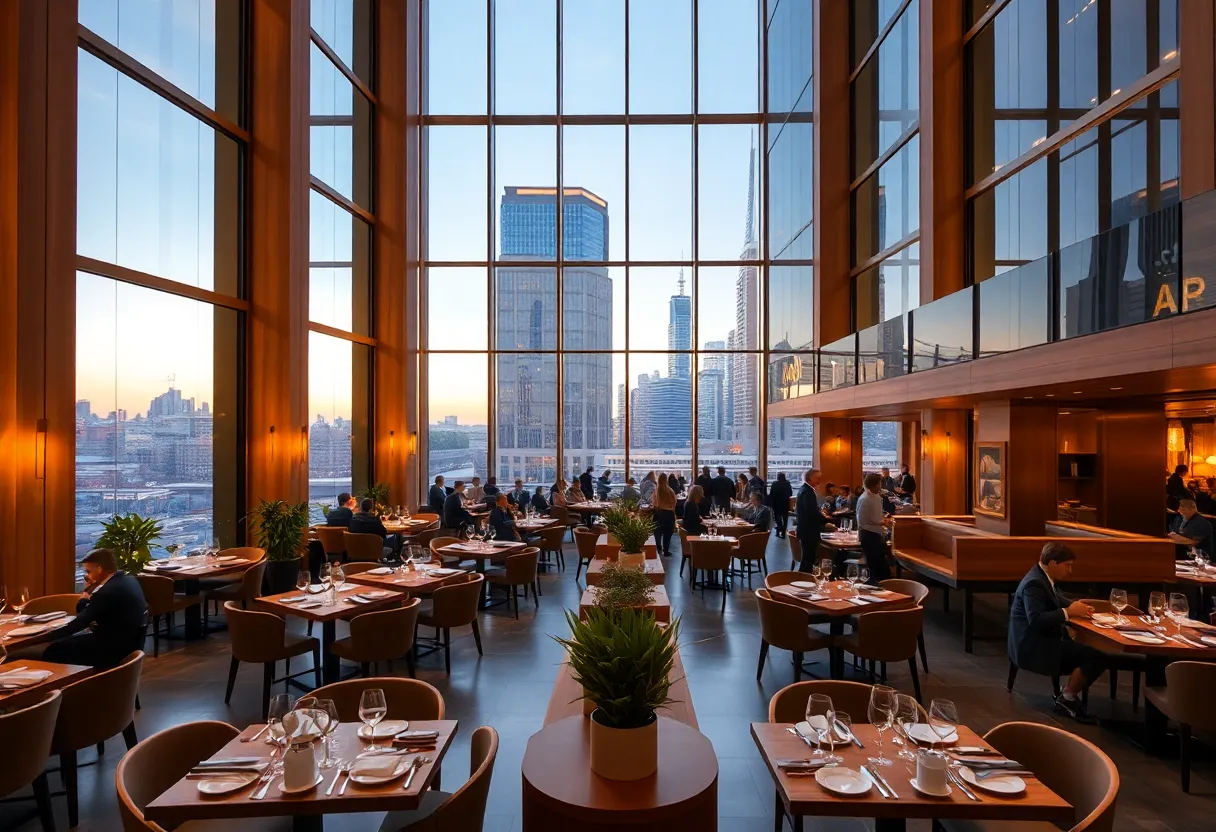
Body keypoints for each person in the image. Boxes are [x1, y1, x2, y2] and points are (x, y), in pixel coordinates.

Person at [1008, 542, 1105, 724]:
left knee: (1087, 651)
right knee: (1096, 657)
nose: (1070, 571)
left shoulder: (1040, 576)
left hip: (1034, 641)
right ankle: (1067, 698)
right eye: (1067, 565)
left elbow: (1055, 599)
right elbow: (1036, 620)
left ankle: (1067, 694)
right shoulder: (1035, 583)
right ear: (1053, 563)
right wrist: (1069, 612)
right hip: (1034, 649)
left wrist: (1076, 606)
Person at [42, 548, 147, 668]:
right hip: (130, 644)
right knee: (70, 641)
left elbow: (80, 623)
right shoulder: (129, 580)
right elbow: (93, 612)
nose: (88, 576)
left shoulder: (107, 592)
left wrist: (47, 637)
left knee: (54, 649)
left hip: (111, 649)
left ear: (99, 569)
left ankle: (65, 684)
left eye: (88, 572)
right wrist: (87, 599)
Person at [856, 473, 892, 583]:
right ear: (875, 484)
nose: (881, 486)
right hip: (870, 535)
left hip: (867, 534)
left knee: (875, 565)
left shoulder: (868, 496)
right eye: (880, 483)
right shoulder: (868, 499)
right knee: (879, 566)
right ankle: (884, 588)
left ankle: (878, 586)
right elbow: (873, 519)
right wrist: (886, 522)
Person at [795, 469, 832, 573]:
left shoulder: (804, 489)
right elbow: (811, 512)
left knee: (807, 558)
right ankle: (804, 581)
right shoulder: (808, 491)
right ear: (810, 478)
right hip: (809, 530)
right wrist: (825, 520)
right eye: (817, 478)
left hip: (805, 529)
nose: (819, 481)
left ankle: (804, 580)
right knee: (808, 560)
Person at [653, 473, 678, 556]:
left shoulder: (656, 491)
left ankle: (658, 548)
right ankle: (666, 550)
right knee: (668, 533)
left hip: (658, 513)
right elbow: (674, 502)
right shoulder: (669, 490)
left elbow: (653, 503)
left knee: (658, 532)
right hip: (668, 513)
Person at [769, 472, 793, 538]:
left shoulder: (774, 483)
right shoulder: (787, 483)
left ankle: (779, 529)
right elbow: (791, 493)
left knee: (777, 518)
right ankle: (783, 533)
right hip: (786, 503)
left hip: (777, 504)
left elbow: (771, 494)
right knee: (785, 519)